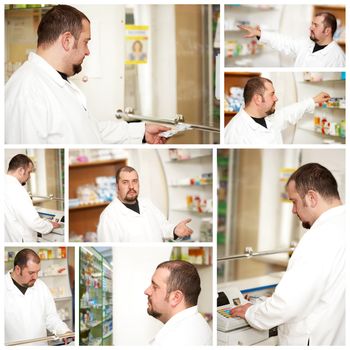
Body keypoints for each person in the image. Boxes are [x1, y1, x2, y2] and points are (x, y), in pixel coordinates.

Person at [5, 5, 169, 144]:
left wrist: (143, 132)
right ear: (67, 41)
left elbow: (91, 131)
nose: (87, 51)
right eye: (86, 42)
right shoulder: (28, 90)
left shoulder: (56, 81)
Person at [230, 163, 345, 345]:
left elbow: (286, 306)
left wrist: (251, 312)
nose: (293, 210)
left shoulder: (317, 238)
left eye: (294, 202)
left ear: (312, 197)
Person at [97, 166, 193, 242]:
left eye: (134, 181)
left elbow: (163, 226)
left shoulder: (147, 203)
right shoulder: (108, 216)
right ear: (117, 186)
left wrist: (175, 230)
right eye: (125, 182)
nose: (131, 186)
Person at [224, 77, 330, 144]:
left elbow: (289, 113)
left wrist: (314, 100)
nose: (276, 98)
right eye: (272, 94)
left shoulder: (268, 117)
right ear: (258, 99)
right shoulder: (235, 132)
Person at [5, 249, 71, 345]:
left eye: (37, 272)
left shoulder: (41, 287)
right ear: (18, 269)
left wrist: (64, 331)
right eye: (31, 273)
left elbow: (51, 317)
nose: (36, 277)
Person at [238, 11, 345, 67]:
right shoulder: (307, 43)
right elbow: (284, 42)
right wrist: (259, 33)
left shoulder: (337, 57)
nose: (310, 27)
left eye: (315, 25)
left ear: (327, 31)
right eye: (312, 24)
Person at [144, 260, 212, 345]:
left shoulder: (171, 342)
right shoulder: (201, 325)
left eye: (155, 287)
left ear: (176, 298)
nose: (146, 291)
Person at [4, 154, 61, 242]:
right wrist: (50, 225)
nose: (29, 177)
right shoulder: (18, 190)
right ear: (21, 170)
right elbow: (33, 222)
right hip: (19, 240)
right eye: (29, 172)